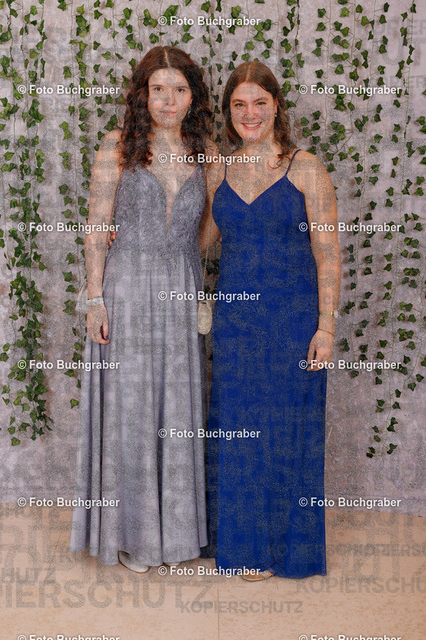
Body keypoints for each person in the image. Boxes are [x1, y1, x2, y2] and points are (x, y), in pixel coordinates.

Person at [69, 46, 214, 573]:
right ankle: (130, 536)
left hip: (179, 287)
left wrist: (182, 264)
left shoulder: (208, 154)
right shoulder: (117, 146)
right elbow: (96, 226)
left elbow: (209, 231)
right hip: (126, 289)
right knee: (130, 410)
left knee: (175, 409)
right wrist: (95, 298)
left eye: (179, 89)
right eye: (158, 89)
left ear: (192, 97)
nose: (168, 100)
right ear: (142, 95)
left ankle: (174, 536)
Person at [198, 61, 341, 580]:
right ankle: (244, 547)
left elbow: (328, 253)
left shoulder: (306, 167)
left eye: (259, 102)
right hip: (236, 325)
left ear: (276, 106)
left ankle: (287, 549)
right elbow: (200, 244)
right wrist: (132, 234)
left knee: (286, 431)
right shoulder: (221, 170)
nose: (250, 113)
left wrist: (326, 327)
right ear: (228, 111)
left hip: (293, 322)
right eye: (239, 104)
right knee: (239, 431)